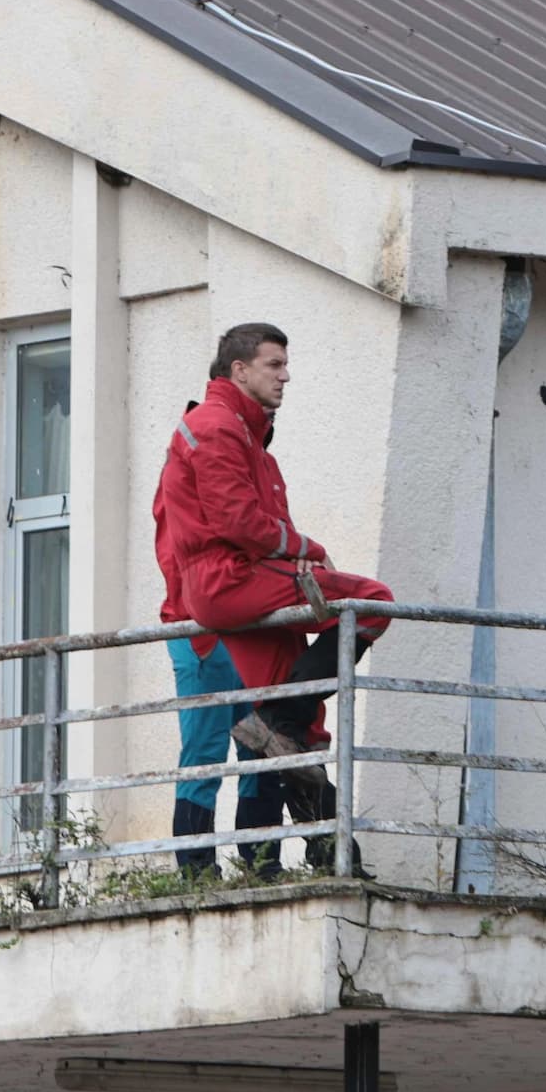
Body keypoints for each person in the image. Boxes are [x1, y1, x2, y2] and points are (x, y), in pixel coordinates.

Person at [151, 322, 392, 873]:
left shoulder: (250, 446)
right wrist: (305, 550)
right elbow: (210, 535)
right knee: (210, 746)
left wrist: (292, 557)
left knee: (277, 733)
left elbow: (258, 528)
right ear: (239, 371)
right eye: (274, 365)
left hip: (236, 599)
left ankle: (282, 859)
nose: (286, 376)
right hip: (208, 614)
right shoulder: (212, 431)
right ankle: (198, 870)